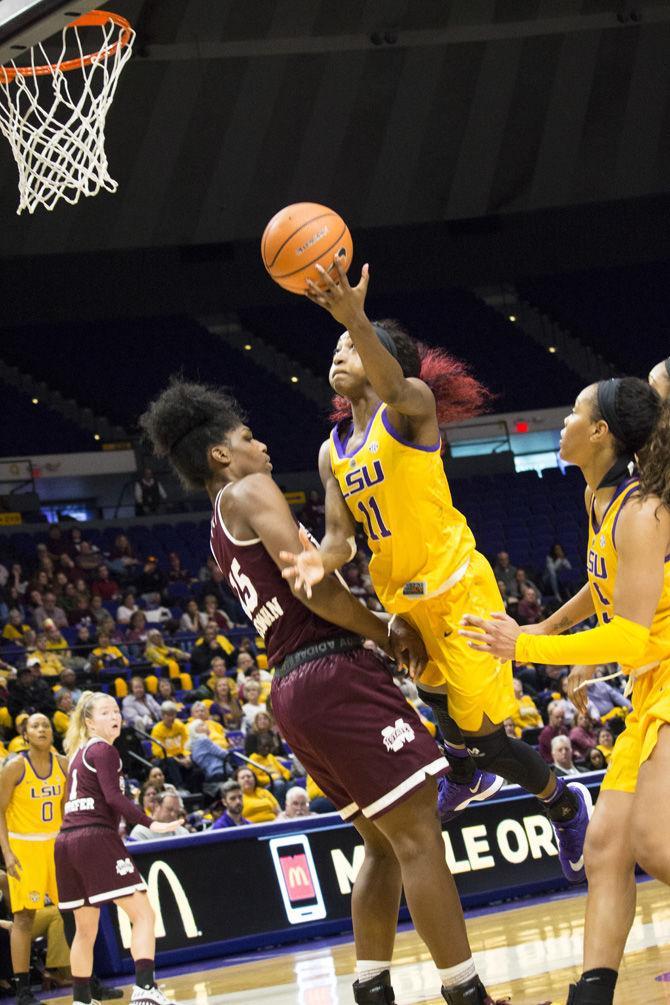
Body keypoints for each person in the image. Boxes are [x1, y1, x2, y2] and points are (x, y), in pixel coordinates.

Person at [139, 377, 507, 1005]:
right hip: (330, 672)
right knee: (419, 836)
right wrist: (383, 630)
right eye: (248, 438)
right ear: (221, 456)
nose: (264, 449)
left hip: (291, 687)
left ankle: (370, 988)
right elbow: (312, 587)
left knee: (381, 848)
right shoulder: (250, 489)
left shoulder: (215, 528)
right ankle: (465, 992)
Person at [280, 260, 590, 887]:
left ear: (380, 357)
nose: (337, 356)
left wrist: (353, 317)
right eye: (336, 347)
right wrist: (320, 557)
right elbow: (342, 537)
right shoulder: (330, 451)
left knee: (483, 736)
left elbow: (395, 387)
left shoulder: (409, 409)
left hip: (459, 592)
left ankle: (563, 801)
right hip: (405, 602)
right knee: (450, 719)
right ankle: (468, 770)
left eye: (350, 348)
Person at [460, 374, 670, 1005]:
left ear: (601, 433)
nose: (564, 423)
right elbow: (603, 585)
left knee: (656, 843)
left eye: (575, 413)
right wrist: (549, 624)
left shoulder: (642, 511)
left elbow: (630, 637)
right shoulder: (596, 501)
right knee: (605, 849)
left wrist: (528, 645)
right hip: (647, 687)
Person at [54, 692, 182, 1005]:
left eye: (116, 711)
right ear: (89, 721)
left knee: (85, 929)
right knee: (143, 914)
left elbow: (65, 804)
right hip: (94, 836)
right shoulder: (103, 750)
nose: (115, 717)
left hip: (66, 841)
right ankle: (145, 990)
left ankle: (82, 1000)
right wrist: (150, 823)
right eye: (106, 713)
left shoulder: (76, 754)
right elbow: (113, 798)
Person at [0, 714, 67, 1005]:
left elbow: (69, 809)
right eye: (35, 726)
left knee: (75, 911)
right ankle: (24, 988)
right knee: (24, 918)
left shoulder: (63, 764)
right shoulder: (15, 766)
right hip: (24, 849)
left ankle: (86, 979)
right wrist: (7, 852)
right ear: (25, 735)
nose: (42, 729)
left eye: (46, 726)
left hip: (57, 846)